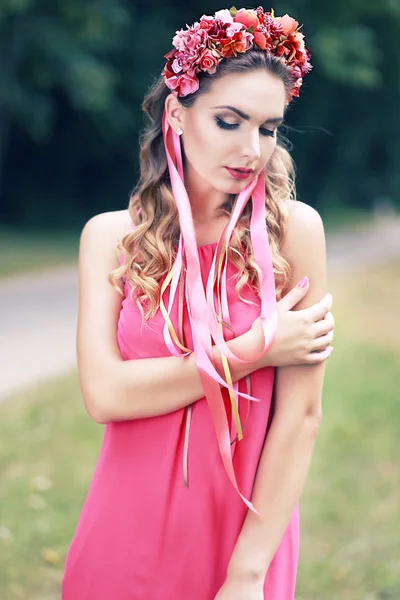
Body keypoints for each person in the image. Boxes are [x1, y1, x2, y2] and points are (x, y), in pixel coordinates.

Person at [62, 6, 334, 600]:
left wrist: (247, 575)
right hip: (123, 527)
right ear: (178, 115)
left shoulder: (294, 234)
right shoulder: (109, 238)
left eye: (267, 128)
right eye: (229, 121)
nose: (251, 148)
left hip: (242, 536)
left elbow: (301, 417)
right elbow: (105, 396)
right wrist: (256, 347)